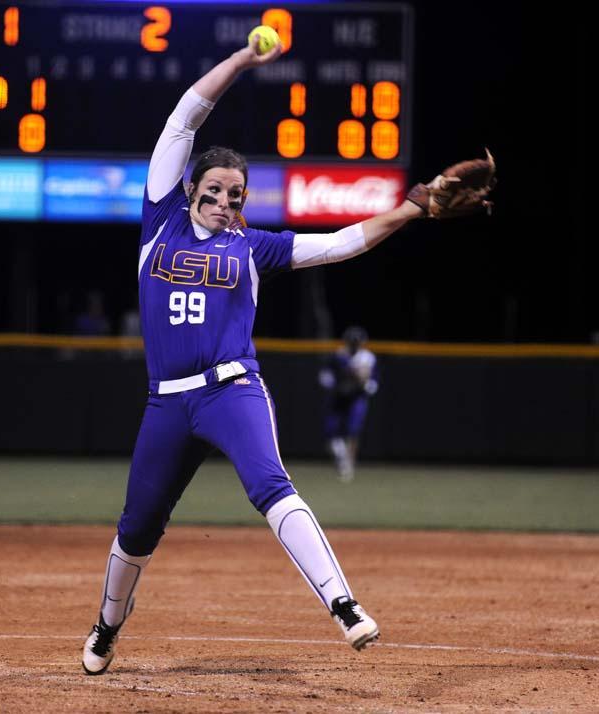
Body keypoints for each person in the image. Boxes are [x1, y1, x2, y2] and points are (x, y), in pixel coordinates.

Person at [81, 34, 427, 676]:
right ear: (191, 189)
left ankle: (344, 607)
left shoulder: (252, 247)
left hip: (230, 388)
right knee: (138, 524)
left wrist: (409, 209)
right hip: (167, 401)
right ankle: (105, 627)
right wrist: (243, 60)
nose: (225, 200)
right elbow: (185, 114)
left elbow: (342, 243)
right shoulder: (160, 221)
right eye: (214, 188)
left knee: (270, 483)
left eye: (236, 193)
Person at [319, 326, 378, 482]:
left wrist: (364, 383)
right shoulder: (338, 355)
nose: (354, 344)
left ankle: (349, 465)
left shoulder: (367, 358)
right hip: (339, 396)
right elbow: (325, 376)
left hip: (356, 397)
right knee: (331, 432)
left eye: (356, 342)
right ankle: (341, 457)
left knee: (353, 431)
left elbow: (372, 382)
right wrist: (335, 383)